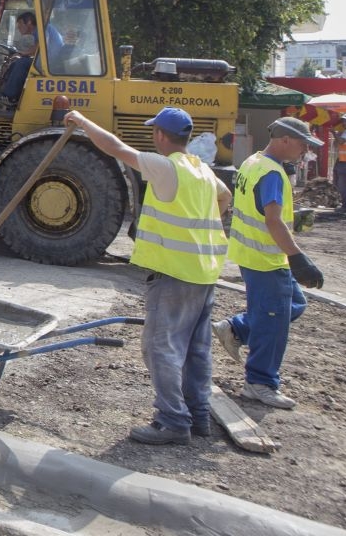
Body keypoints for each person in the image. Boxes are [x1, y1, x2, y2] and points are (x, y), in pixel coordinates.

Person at [64, 106, 231, 445]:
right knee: (196, 350)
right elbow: (224, 197)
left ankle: (172, 422)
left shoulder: (165, 166)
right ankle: (198, 416)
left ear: (160, 135)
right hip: (204, 272)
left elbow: (115, 147)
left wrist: (82, 121)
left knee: (161, 348)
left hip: (174, 272)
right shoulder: (200, 168)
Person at [213, 117, 325, 410]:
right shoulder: (273, 173)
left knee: (294, 304)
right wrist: (298, 258)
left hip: (252, 255)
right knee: (273, 322)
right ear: (285, 139)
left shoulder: (253, 162)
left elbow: (259, 210)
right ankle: (260, 383)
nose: (305, 150)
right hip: (266, 260)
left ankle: (237, 328)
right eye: (302, 143)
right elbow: (273, 221)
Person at [0, 11, 64, 105]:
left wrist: (22, 53)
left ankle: (9, 96)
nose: (18, 27)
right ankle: (11, 93)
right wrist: (23, 53)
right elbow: (37, 48)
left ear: (29, 22)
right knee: (17, 63)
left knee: (21, 63)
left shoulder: (42, 28)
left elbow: (41, 45)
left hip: (49, 63)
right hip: (48, 61)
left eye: (20, 23)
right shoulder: (40, 31)